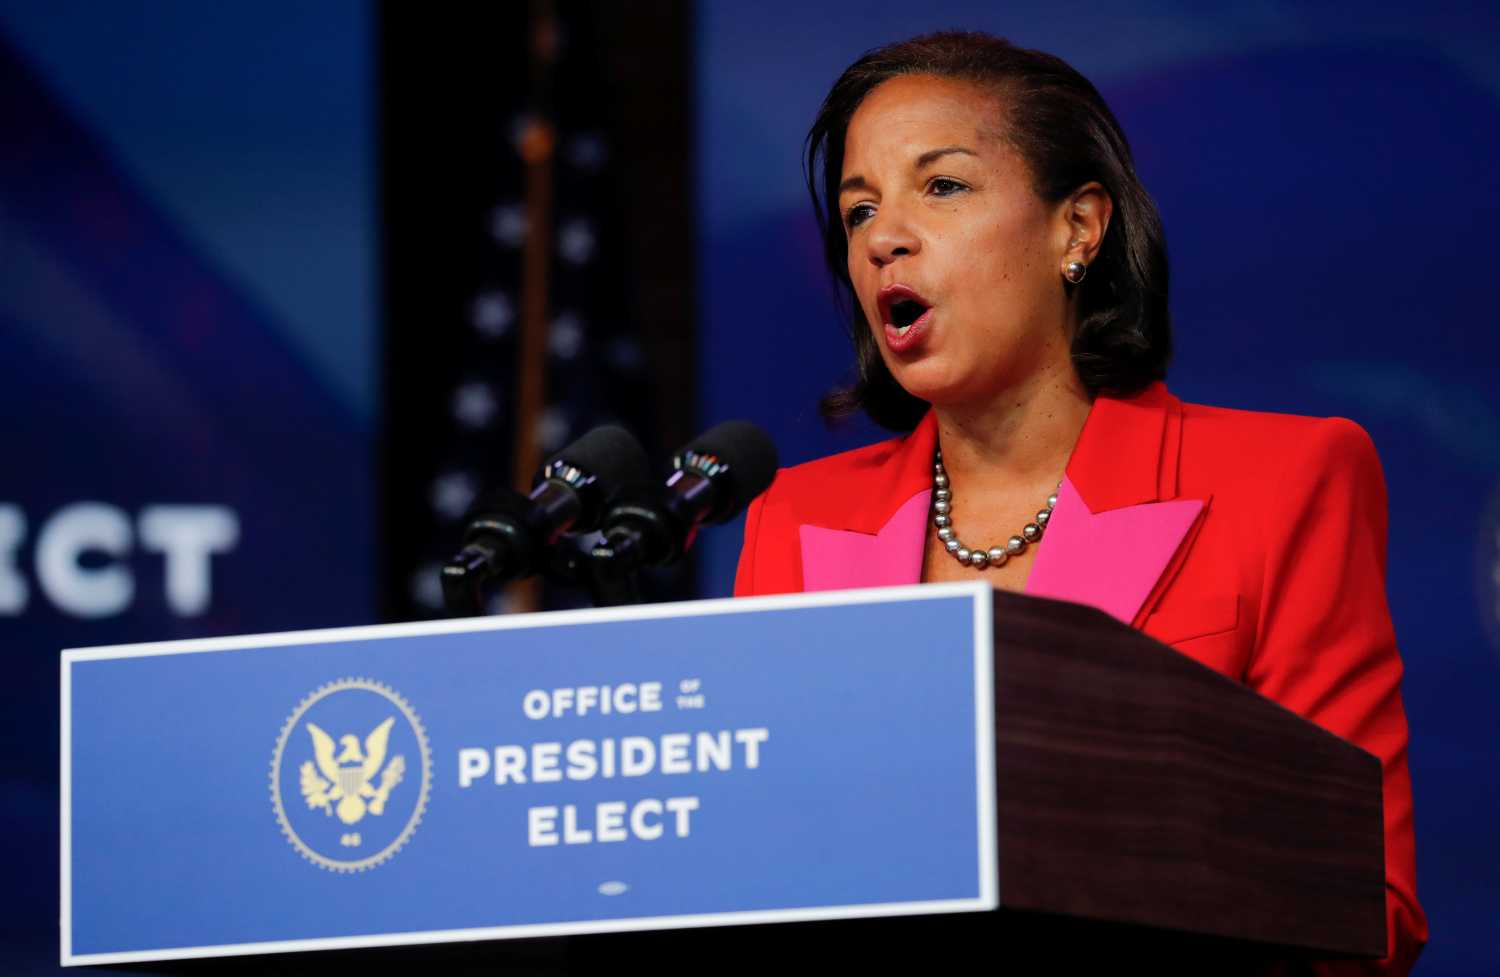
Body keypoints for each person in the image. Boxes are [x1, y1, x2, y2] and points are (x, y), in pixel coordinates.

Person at [732, 31, 1425, 976]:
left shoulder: (1290, 478)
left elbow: (1368, 903)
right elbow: (751, 874)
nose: (884, 235)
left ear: (1078, 229)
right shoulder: (797, 520)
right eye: (859, 210)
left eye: (942, 187)